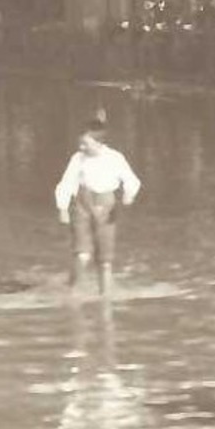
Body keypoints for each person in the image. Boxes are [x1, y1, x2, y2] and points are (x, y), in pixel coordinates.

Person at [54, 118, 142, 297]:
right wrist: (62, 208)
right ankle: (71, 291)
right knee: (82, 254)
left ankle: (105, 297)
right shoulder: (78, 158)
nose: (82, 147)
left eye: (86, 144)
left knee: (105, 260)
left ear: (99, 143)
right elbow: (67, 182)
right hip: (82, 205)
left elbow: (131, 180)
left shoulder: (115, 158)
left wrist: (129, 194)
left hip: (106, 206)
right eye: (80, 143)